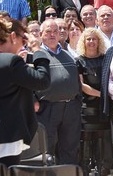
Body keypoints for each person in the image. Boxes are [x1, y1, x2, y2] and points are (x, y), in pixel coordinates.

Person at [0, 17, 50, 167]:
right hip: (4, 136)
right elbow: (42, 80)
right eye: (22, 40)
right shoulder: (11, 62)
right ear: (13, 36)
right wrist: (37, 49)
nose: (22, 45)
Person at [35, 19, 82, 165]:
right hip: (47, 109)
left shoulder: (69, 55)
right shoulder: (36, 55)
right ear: (41, 34)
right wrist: (33, 100)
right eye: (48, 31)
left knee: (70, 149)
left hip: (70, 109)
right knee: (46, 150)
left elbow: (77, 81)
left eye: (55, 31)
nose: (52, 34)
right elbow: (27, 81)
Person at [76, 28, 112, 176]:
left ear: (99, 41)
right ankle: (85, 170)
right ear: (84, 42)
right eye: (88, 39)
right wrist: (102, 95)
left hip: (102, 107)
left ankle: (100, 170)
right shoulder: (79, 60)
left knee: (101, 139)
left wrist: (104, 98)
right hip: (86, 107)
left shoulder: (106, 58)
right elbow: (82, 86)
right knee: (85, 139)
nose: (91, 42)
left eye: (94, 39)